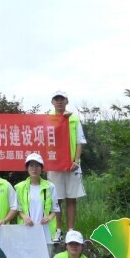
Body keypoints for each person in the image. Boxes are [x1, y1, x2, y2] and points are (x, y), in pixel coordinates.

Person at [46, 90, 87, 241]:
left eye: (62, 99)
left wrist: (76, 161)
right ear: (52, 102)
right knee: (56, 200)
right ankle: (58, 229)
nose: (59, 101)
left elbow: (79, 142)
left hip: (72, 166)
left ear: (66, 101)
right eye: (56, 99)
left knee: (71, 199)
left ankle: (70, 230)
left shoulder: (74, 119)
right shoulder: (48, 119)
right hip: (54, 165)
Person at [15, 153, 59, 244]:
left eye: (37, 166)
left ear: (41, 168)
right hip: (26, 228)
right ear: (27, 168)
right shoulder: (19, 187)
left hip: (45, 229)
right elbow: (17, 209)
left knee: (45, 252)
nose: (34, 169)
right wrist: (24, 217)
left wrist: (49, 218)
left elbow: (55, 209)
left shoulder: (50, 186)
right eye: (31, 166)